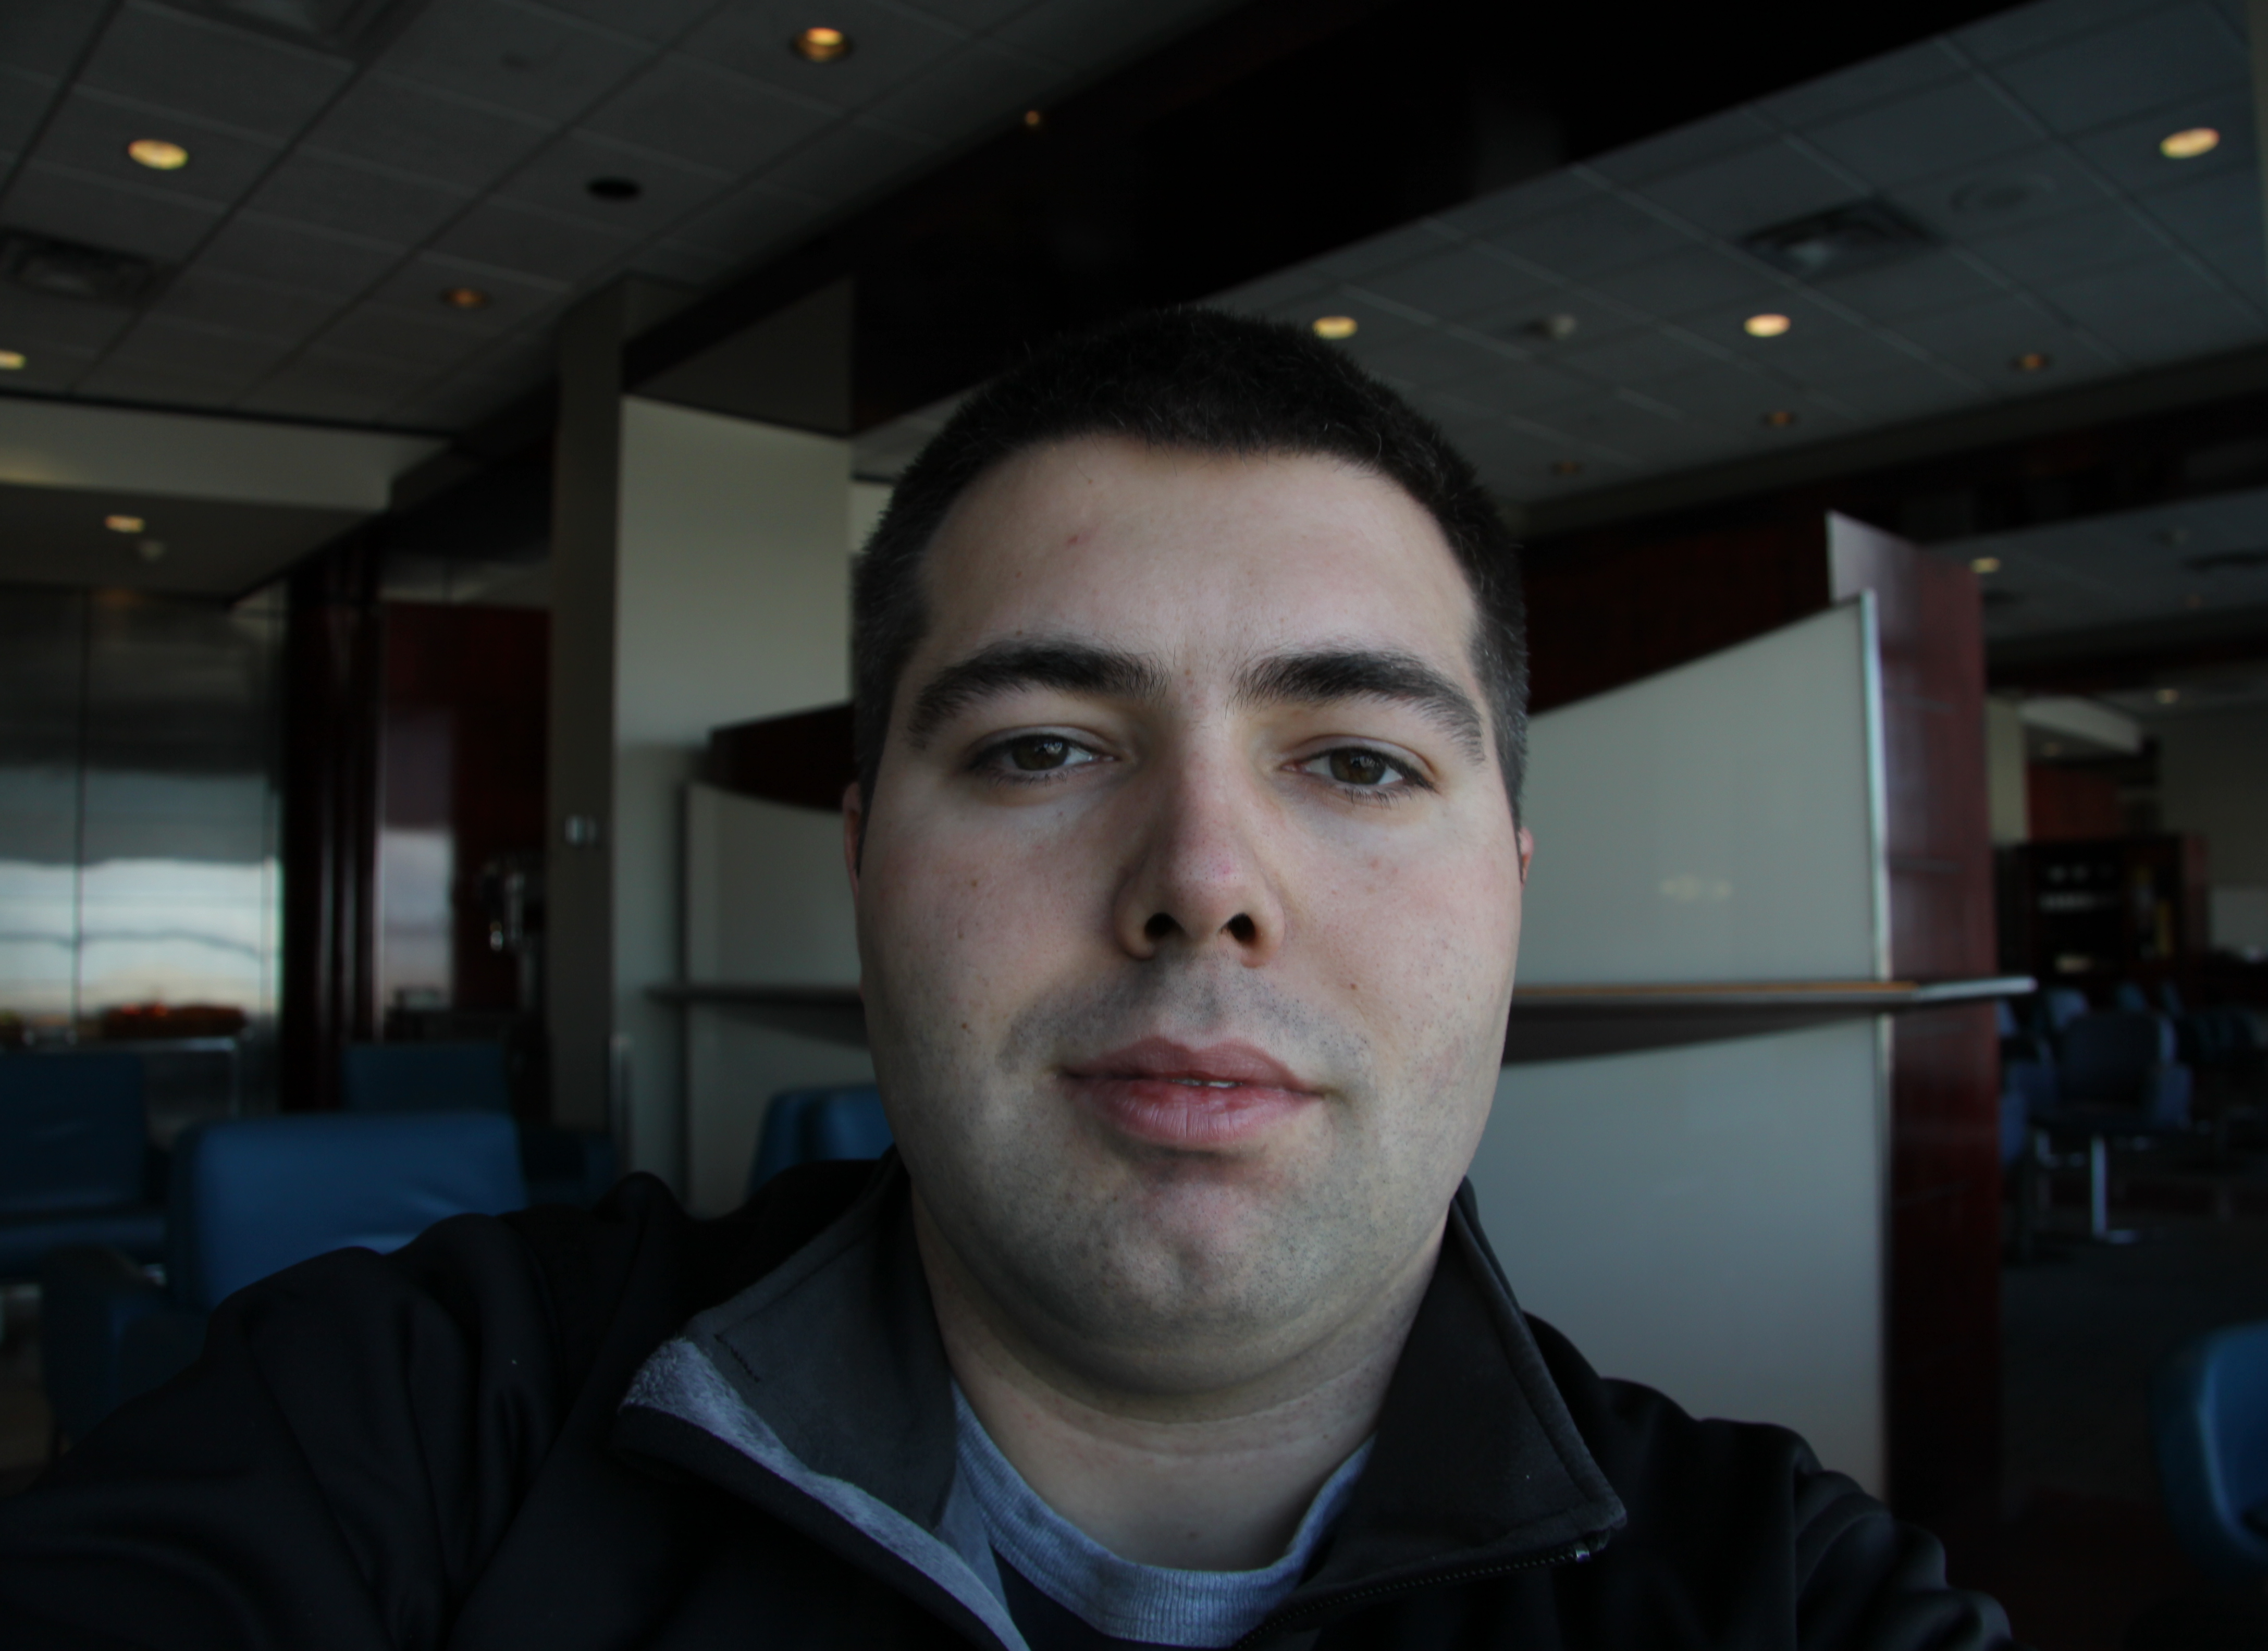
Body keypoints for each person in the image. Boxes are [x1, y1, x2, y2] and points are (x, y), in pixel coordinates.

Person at [0, 309, 2012, 1649]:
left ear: (1511, 889)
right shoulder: (418, 1427)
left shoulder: (1790, 1600)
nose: (1203, 885)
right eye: (1044, 747)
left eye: (1356, 763)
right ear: (863, 858)